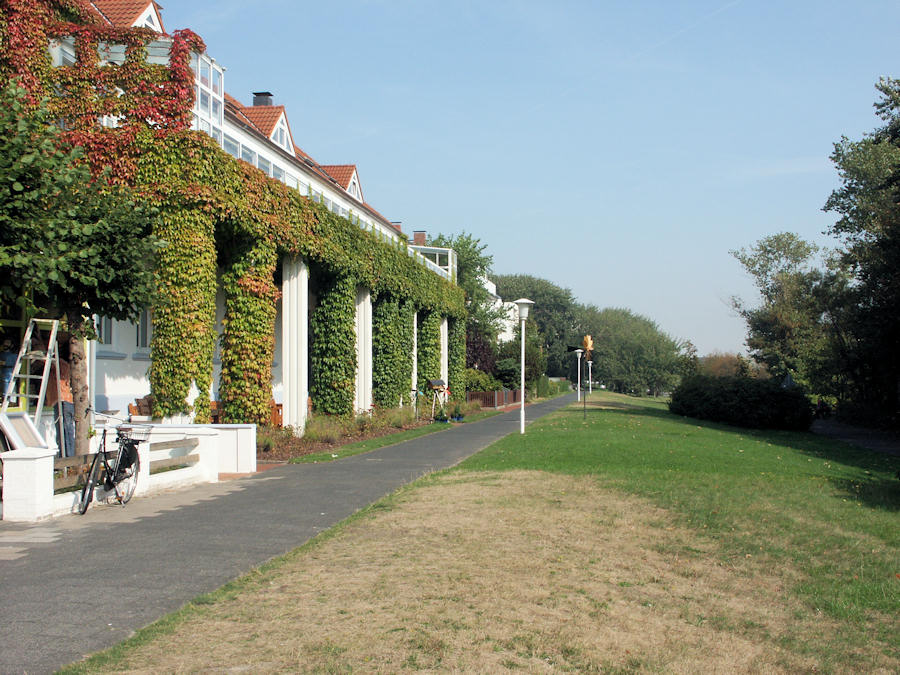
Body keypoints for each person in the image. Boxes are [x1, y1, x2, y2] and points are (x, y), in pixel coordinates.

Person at [43, 338, 75, 457]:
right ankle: (66, 456)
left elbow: (46, 363)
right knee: (65, 430)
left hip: (63, 401)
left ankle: (67, 458)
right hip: (65, 400)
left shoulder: (61, 364)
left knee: (65, 431)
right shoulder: (67, 364)